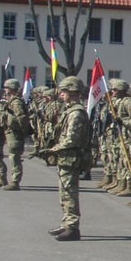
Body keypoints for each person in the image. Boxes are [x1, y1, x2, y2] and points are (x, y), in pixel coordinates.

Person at [45, 77, 90, 241]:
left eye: (64, 91)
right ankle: (66, 223)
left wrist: (52, 150)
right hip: (65, 157)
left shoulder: (76, 113)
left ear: (73, 92)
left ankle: (72, 227)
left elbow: (72, 139)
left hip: (71, 157)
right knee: (64, 193)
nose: (61, 94)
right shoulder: (70, 111)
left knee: (69, 193)